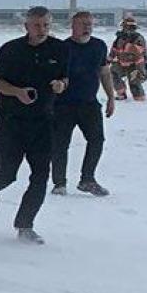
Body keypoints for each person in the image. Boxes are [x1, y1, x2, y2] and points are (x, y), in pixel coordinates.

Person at [0, 6, 68, 244]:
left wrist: (61, 85)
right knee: (6, 174)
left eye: (46, 25)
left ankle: (25, 225)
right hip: (11, 122)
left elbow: (64, 78)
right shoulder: (10, 50)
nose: (42, 29)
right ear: (26, 26)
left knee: (40, 176)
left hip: (44, 121)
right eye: (36, 25)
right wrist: (17, 92)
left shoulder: (59, 49)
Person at [51, 11, 115, 197]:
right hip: (64, 105)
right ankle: (59, 183)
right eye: (82, 24)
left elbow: (104, 72)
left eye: (89, 24)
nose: (87, 27)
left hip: (89, 104)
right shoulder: (63, 48)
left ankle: (87, 179)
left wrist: (110, 97)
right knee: (60, 144)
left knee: (97, 140)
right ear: (73, 26)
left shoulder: (99, 46)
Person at [109, 15, 147, 101]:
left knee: (134, 82)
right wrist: (109, 59)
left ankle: (139, 99)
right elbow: (114, 49)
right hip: (121, 63)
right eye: (126, 27)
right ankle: (121, 93)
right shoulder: (119, 38)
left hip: (135, 65)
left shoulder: (138, 39)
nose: (127, 29)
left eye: (130, 27)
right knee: (112, 73)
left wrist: (141, 70)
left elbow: (139, 54)